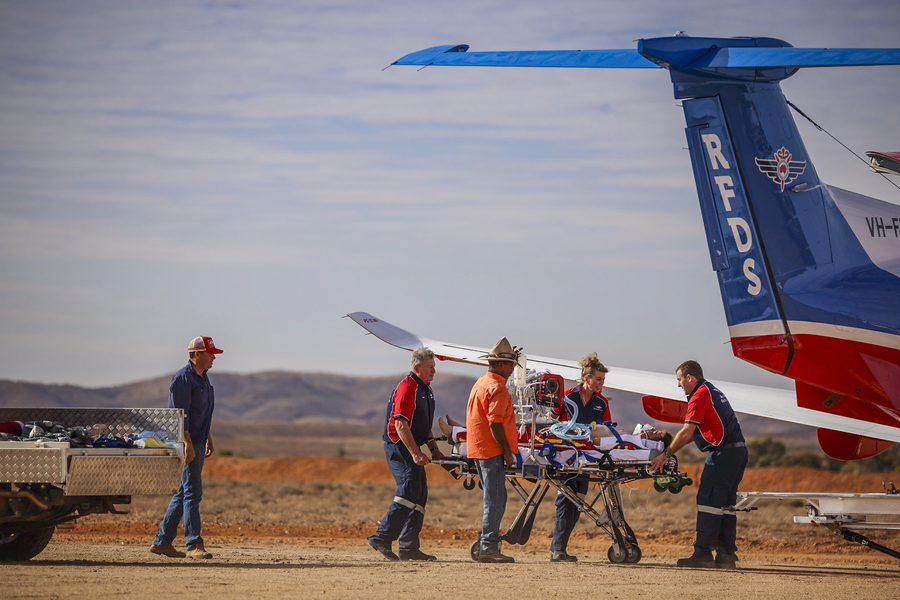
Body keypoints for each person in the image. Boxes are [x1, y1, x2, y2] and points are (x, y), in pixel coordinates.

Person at [650, 360, 748, 570]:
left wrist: (665, 455)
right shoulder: (712, 390)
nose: (678, 385)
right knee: (726, 506)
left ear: (689, 378)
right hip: (738, 452)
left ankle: (702, 554)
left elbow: (686, 433)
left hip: (723, 454)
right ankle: (726, 556)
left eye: (679, 380)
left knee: (708, 501)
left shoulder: (699, 394)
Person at [367, 348, 445, 562]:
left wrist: (433, 448)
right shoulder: (407, 388)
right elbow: (400, 424)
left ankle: (409, 547)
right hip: (398, 446)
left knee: (419, 494)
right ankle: (382, 537)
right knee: (410, 487)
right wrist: (415, 453)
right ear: (416, 367)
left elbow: (424, 424)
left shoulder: (426, 390)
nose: (433, 371)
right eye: (430, 367)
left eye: (434, 368)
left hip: (413, 447)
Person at [151, 335, 223, 560]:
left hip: (198, 440)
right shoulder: (183, 379)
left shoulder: (202, 379)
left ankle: (162, 542)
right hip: (188, 442)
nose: (214, 358)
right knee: (193, 492)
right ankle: (194, 544)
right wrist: (187, 444)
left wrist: (208, 437)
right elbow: (179, 416)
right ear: (197, 354)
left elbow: (200, 413)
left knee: (184, 492)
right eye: (211, 354)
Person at [548, 352, 611, 562]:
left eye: (603, 380)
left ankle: (561, 549)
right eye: (598, 379)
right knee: (566, 500)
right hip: (565, 455)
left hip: (586, 458)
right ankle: (557, 550)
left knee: (578, 502)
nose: (601, 384)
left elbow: (606, 429)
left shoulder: (601, 402)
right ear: (587, 378)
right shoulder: (567, 396)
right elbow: (550, 420)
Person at [466, 337, 521, 564]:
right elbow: (495, 422)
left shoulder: (481, 382)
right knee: (495, 499)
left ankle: (485, 543)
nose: (512, 369)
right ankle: (488, 546)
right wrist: (508, 452)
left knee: (496, 497)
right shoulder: (497, 388)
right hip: (491, 450)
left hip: (480, 448)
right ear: (500, 365)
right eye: (510, 365)